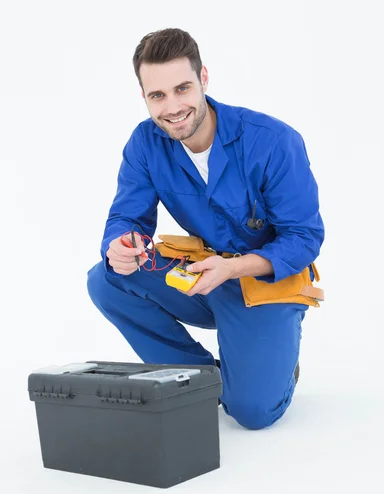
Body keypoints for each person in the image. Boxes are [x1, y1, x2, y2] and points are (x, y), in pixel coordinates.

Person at [87, 28, 325, 430]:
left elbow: (305, 238)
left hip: (263, 283)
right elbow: (128, 217)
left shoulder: (273, 141)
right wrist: (122, 244)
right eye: (157, 95)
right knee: (107, 277)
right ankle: (200, 378)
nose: (173, 107)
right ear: (143, 97)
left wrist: (233, 268)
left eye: (182, 88)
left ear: (204, 79)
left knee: (251, 413)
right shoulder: (146, 143)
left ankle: (271, 371)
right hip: (201, 276)